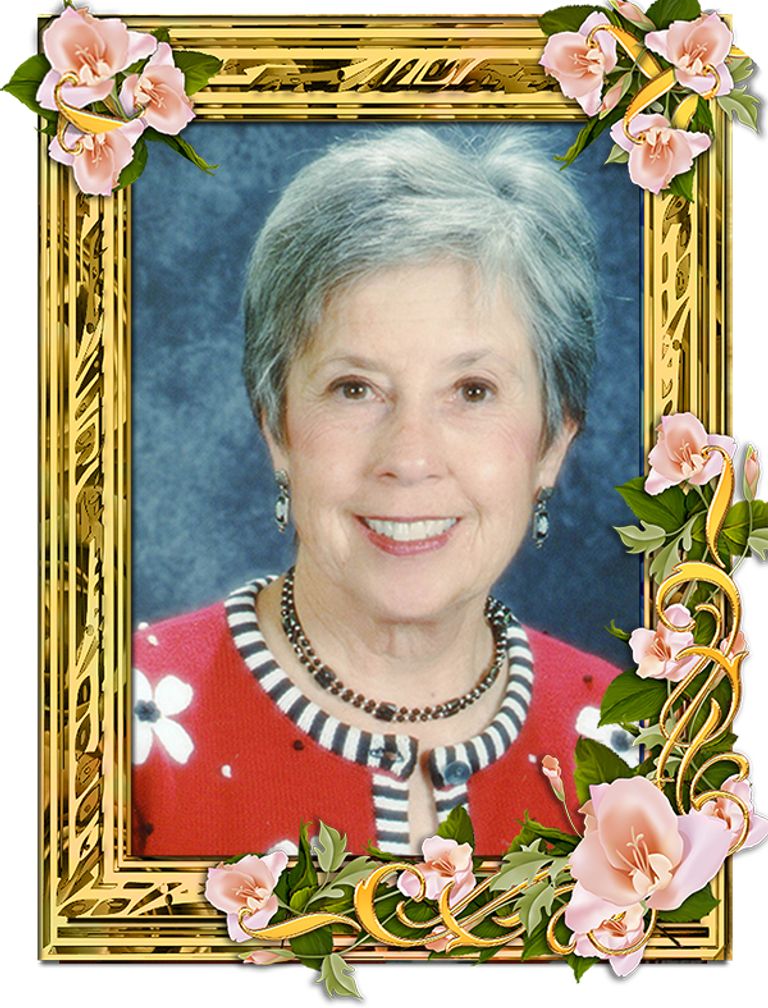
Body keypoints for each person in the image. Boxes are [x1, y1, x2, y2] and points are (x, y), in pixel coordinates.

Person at [132, 128, 620, 858]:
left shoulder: (635, 745)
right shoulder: (108, 724)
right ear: (277, 429)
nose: (410, 458)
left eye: (473, 390)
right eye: (355, 388)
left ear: (552, 443)